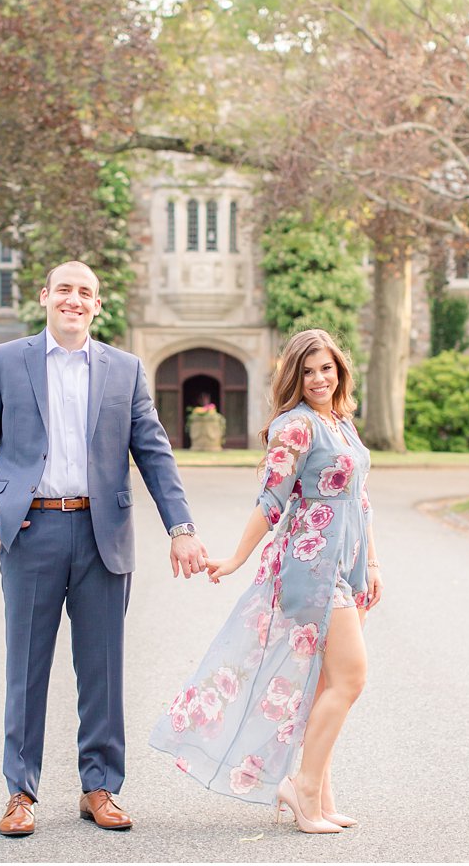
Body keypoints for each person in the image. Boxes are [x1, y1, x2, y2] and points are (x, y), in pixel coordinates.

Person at [0, 260, 209, 838]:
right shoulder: (5, 361)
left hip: (103, 537)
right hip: (30, 534)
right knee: (26, 668)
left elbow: (154, 452)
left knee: (102, 668)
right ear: (46, 297)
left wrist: (181, 527)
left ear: (98, 306)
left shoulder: (125, 370)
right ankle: (20, 792)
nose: (75, 300)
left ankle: (99, 787)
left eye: (86, 293)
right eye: (65, 289)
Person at [149, 328, 382, 833]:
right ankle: (302, 792)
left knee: (324, 687)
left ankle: (318, 793)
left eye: (327, 368)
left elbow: (360, 499)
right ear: (294, 376)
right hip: (312, 568)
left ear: (340, 370)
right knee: (351, 679)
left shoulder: (340, 421)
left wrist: (374, 564)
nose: (319, 378)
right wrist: (234, 558)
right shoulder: (296, 426)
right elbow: (271, 501)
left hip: (349, 565)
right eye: (308, 370)